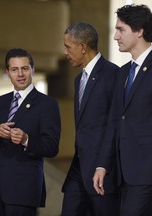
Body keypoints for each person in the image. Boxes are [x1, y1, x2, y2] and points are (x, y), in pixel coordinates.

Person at [93, 4, 152, 216]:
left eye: (121, 29)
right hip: (122, 171)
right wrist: (102, 165)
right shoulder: (123, 73)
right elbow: (114, 122)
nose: (116, 36)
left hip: (149, 169)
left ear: (139, 31)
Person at [0, 48, 61, 216]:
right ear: (8, 73)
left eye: (24, 68)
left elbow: (52, 147)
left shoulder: (47, 104)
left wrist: (26, 139)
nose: (20, 74)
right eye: (14, 69)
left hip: (24, 190)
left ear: (32, 70)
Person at [61, 22, 120, 216]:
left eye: (68, 47)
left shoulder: (113, 75)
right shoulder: (79, 80)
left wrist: (103, 164)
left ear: (83, 47)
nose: (65, 52)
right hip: (78, 168)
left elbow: (114, 125)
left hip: (102, 172)